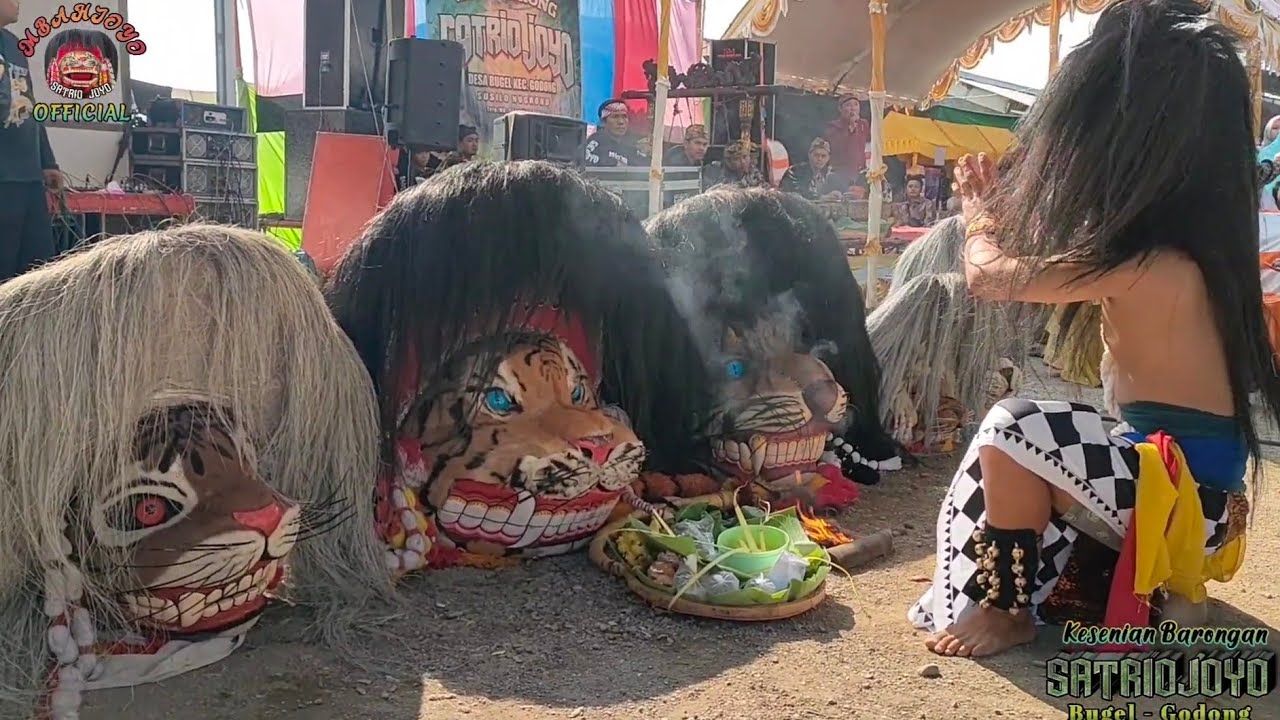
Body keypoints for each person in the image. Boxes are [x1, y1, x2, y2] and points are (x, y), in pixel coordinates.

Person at [910, 0, 1276, 658]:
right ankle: (1112, 595)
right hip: (1184, 498)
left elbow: (990, 277)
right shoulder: (1193, 257)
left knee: (1013, 427)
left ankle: (1007, 611)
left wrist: (976, 214)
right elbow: (1042, 261)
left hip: (1182, 507)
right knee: (1018, 457)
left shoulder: (1151, 264)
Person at [0, 0, 63, 283]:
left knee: (38, 268)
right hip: (3, 178)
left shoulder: (15, 46)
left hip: (29, 177)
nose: (18, 3)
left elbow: (30, 106)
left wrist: (48, 161)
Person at [780, 137, 847, 201]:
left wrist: (839, 195)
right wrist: (821, 198)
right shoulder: (795, 172)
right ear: (809, 155)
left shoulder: (828, 175)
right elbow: (796, 194)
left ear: (828, 158)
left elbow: (841, 189)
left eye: (823, 156)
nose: (819, 159)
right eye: (816, 155)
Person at [583, 98, 639, 167]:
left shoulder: (631, 145)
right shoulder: (596, 141)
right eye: (615, 117)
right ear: (603, 122)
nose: (621, 122)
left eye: (624, 116)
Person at [824, 95, 869, 179]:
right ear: (840, 109)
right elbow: (838, 146)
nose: (853, 108)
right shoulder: (833, 126)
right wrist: (851, 127)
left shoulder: (863, 124)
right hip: (841, 172)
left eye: (856, 104)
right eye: (848, 105)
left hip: (860, 171)